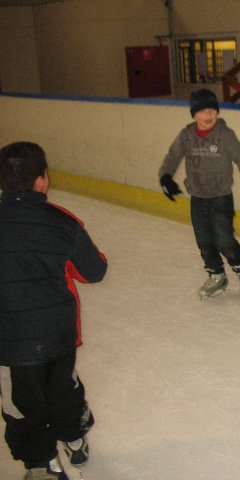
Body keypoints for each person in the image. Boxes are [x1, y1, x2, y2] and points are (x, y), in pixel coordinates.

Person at [0, 141, 108, 479]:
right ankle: (73, 438)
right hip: (58, 335)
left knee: (22, 403)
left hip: (9, 343)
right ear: (41, 180)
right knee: (63, 388)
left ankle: (41, 463)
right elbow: (94, 271)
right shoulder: (63, 223)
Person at [159, 89, 240, 298]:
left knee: (224, 240)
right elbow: (172, 156)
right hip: (197, 198)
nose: (208, 115)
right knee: (204, 241)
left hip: (221, 197)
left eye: (212, 110)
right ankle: (217, 275)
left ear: (217, 112)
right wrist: (166, 176)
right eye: (202, 111)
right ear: (194, 114)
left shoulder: (225, 135)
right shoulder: (187, 135)